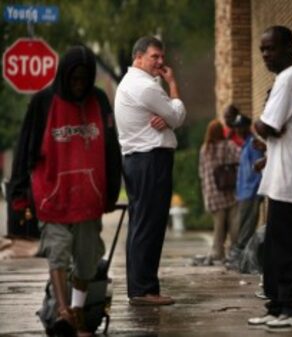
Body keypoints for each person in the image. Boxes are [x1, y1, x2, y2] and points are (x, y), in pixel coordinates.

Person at [9, 45, 122, 337]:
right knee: (57, 252)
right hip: (52, 196)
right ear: (64, 76)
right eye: (74, 79)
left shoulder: (98, 100)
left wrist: (111, 191)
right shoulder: (43, 102)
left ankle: (78, 310)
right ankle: (64, 313)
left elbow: (111, 146)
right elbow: (25, 150)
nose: (79, 85)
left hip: (88, 198)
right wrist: (19, 197)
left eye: (84, 79)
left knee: (87, 260)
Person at [248, 26, 292, 332]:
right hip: (280, 178)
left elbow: (267, 126)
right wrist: (265, 128)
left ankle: (290, 308)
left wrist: (262, 126)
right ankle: (276, 307)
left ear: (290, 48)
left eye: (270, 48)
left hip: (291, 179)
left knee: (288, 250)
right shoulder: (286, 78)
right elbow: (269, 129)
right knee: (274, 250)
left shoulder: (290, 77)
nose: (265, 55)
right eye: (262, 49)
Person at [114, 36, 186, 306]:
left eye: (162, 57)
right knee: (149, 227)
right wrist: (174, 87)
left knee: (141, 225)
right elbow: (178, 116)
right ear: (138, 57)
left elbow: (170, 118)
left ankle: (140, 288)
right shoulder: (145, 86)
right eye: (154, 56)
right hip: (150, 161)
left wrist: (166, 117)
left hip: (138, 161)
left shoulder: (131, 84)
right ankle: (145, 290)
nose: (160, 62)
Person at [224, 114, 264, 270]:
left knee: (246, 227)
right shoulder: (246, 144)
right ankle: (242, 259)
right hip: (244, 192)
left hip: (251, 193)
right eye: (236, 127)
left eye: (240, 127)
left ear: (247, 127)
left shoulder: (254, 144)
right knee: (242, 226)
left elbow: (257, 169)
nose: (237, 130)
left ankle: (242, 259)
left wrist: (255, 191)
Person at [198, 119, 240, 263]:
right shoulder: (229, 146)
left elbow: (201, 172)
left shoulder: (205, 149)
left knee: (219, 226)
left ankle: (218, 252)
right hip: (229, 191)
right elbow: (240, 157)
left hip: (213, 194)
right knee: (234, 223)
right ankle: (234, 250)